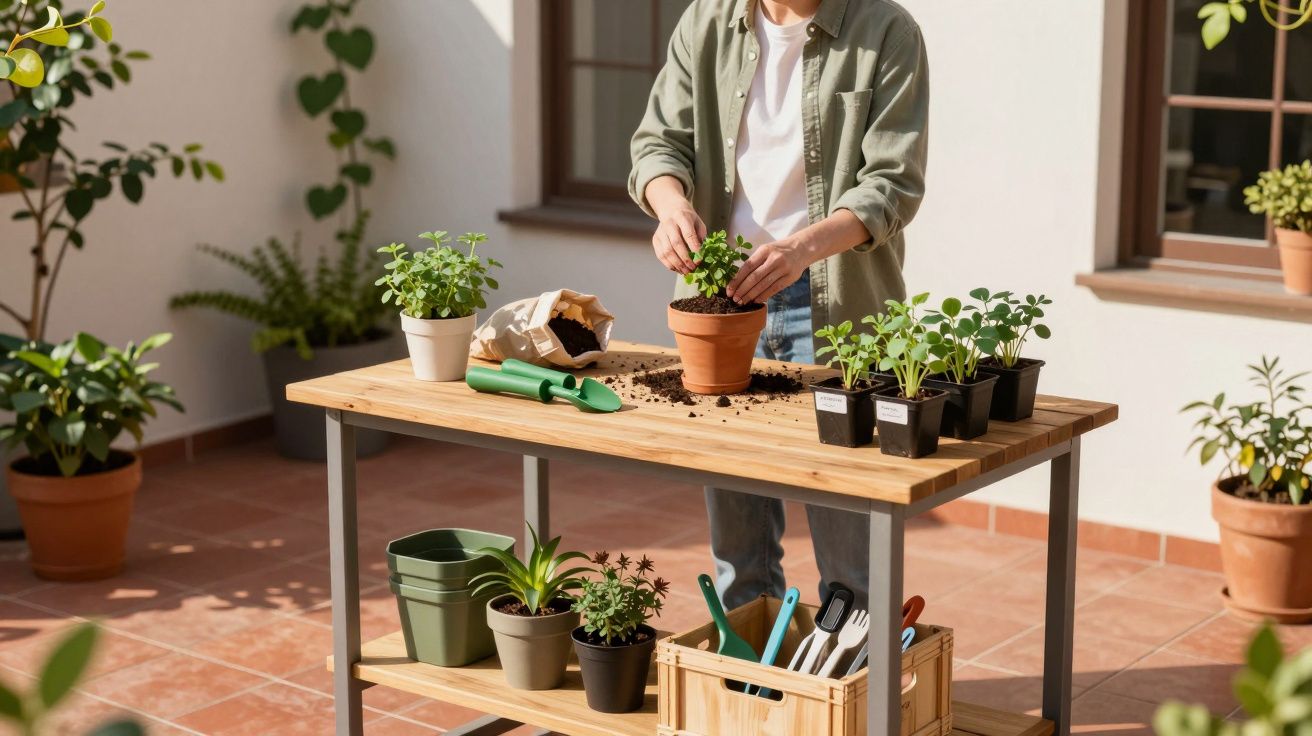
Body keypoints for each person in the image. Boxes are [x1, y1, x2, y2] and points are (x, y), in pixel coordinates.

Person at [628, 0, 929, 609]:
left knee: (853, 563)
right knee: (740, 559)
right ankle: (756, 698)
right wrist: (671, 207)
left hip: (836, 306)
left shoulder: (887, 31)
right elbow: (659, 145)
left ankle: (852, 702)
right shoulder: (705, 23)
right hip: (718, 311)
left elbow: (892, 183)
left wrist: (800, 248)